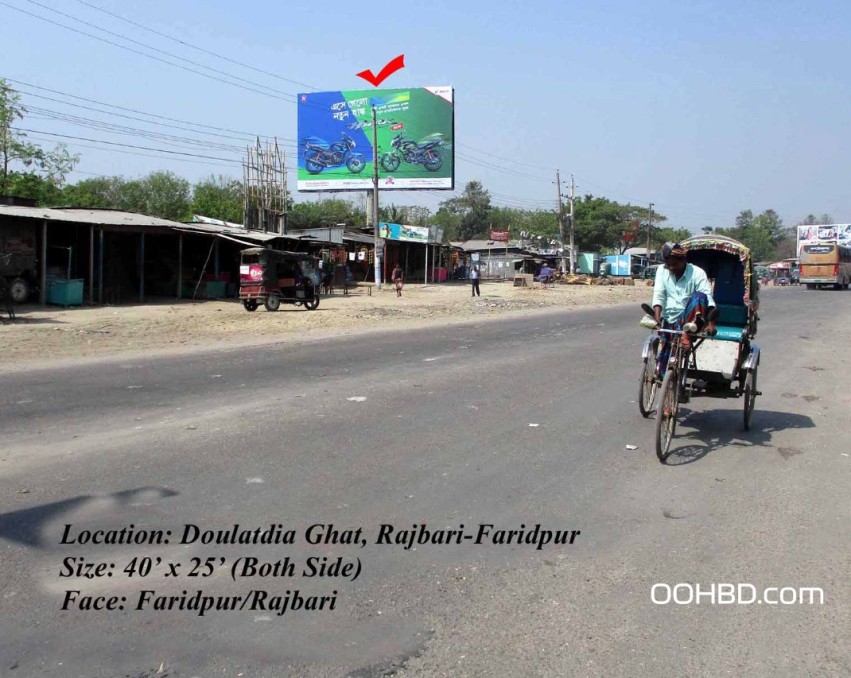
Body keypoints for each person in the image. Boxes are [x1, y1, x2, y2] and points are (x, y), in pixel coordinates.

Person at [652, 242, 716, 379]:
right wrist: (657, 319)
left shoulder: (697, 273)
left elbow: (708, 300)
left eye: (674, 264)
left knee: (700, 296)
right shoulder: (661, 271)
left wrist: (711, 324)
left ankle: (686, 336)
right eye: (668, 264)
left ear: (683, 261)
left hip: (691, 321)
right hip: (670, 319)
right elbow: (658, 296)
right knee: (662, 346)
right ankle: (664, 373)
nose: (671, 268)